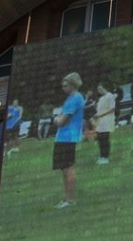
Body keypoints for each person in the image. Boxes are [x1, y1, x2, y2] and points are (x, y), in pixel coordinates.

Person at [52, 72, 85, 209]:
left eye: (66, 85)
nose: (63, 88)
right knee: (64, 169)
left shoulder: (74, 99)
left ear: (72, 85)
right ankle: (66, 198)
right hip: (64, 137)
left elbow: (61, 120)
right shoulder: (71, 98)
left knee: (68, 168)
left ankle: (70, 200)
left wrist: (55, 119)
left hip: (67, 137)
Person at [93, 82, 116, 164]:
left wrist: (101, 115)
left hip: (106, 120)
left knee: (105, 139)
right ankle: (102, 156)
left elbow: (112, 109)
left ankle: (105, 157)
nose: (99, 91)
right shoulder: (101, 98)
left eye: (100, 89)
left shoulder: (109, 96)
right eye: (98, 89)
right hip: (100, 122)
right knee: (100, 139)